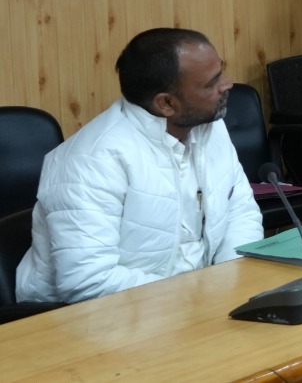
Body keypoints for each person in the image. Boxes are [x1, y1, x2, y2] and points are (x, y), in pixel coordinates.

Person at [16, 29, 263, 304]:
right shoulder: (91, 160)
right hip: (85, 316)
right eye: (212, 83)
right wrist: (195, 298)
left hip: (192, 303)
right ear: (166, 103)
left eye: (221, 71)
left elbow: (240, 210)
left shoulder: (208, 127)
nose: (227, 84)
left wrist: (231, 283)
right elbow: (88, 282)